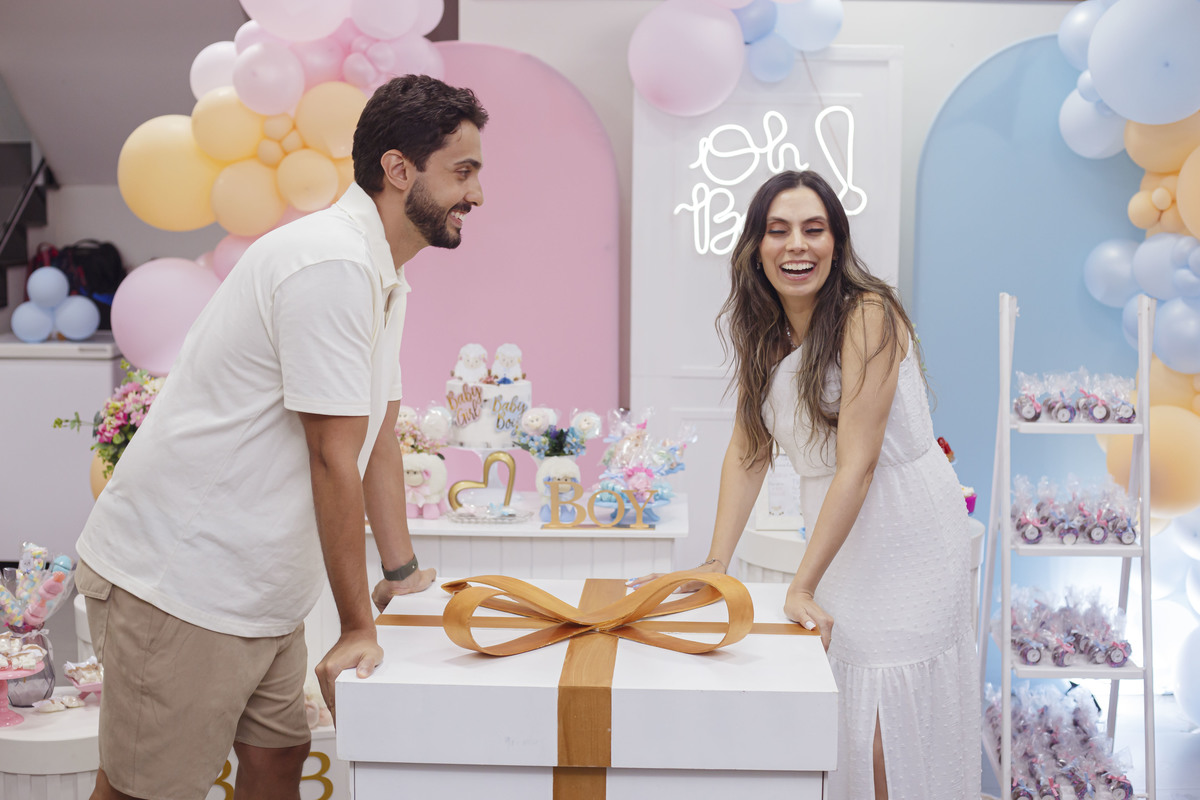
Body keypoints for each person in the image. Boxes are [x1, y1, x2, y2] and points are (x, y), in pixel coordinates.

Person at [73, 74, 488, 800]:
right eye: (462, 172)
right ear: (398, 169)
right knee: (146, 792)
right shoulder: (330, 263)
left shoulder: (381, 273)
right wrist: (357, 627)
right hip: (183, 584)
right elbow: (332, 455)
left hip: (259, 590)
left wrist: (400, 574)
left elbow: (378, 437)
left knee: (277, 764)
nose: (476, 195)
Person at [634, 170, 978, 799]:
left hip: (907, 529)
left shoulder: (869, 314)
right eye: (779, 230)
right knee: (844, 705)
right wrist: (716, 563)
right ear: (756, 247)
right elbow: (748, 449)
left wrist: (802, 584)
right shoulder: (764, 329)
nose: (797, 245)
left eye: (814, 230)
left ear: (836, 243)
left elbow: (860, 465)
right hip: (841, 531)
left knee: (885, 730)